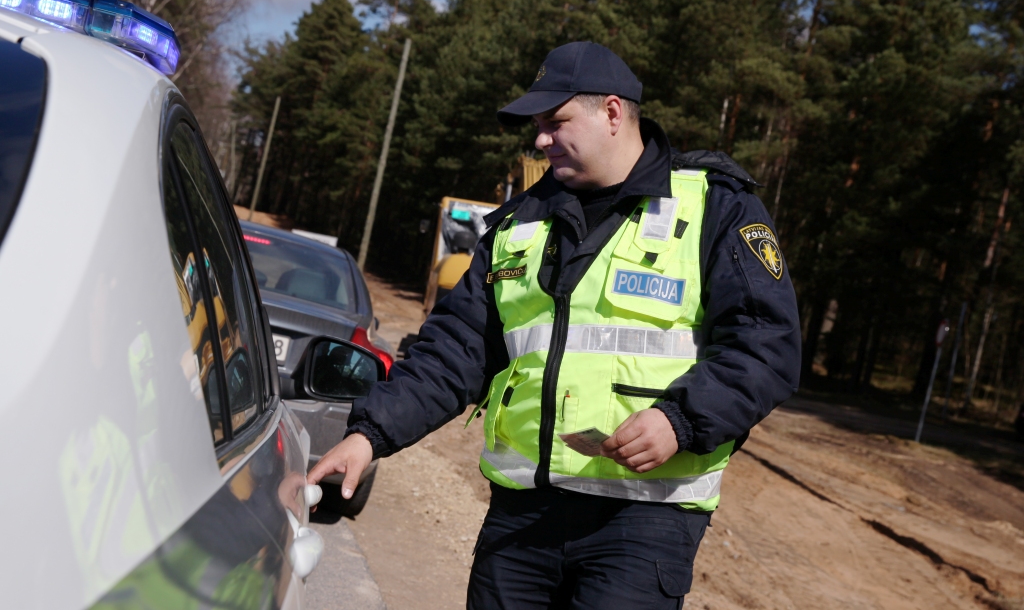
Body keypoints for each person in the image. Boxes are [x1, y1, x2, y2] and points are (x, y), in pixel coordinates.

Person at [308, 41, 801, 608]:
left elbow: (767, 345)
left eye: (555, 121)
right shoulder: (519, 223)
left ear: (611, 112)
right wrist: (369, 435)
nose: (540, 140)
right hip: (521, 519)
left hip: (643, 524)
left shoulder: (715, 206)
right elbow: (454, 351)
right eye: (537, 126)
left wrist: (680, 420)